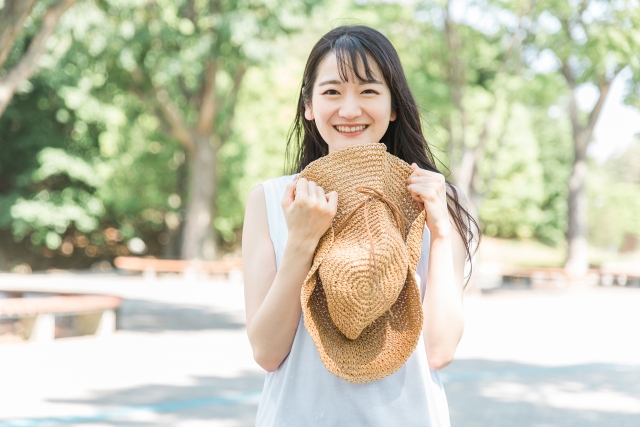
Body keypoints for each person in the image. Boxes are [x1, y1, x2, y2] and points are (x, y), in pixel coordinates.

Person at [242, 25, 478, 426]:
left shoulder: (440, 199)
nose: (349, 110)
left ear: (394, 105)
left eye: (369, 91)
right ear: (309, 105)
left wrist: (439, 231)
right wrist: (301, 242)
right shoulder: (270, 200)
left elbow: (439, 350)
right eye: (332, 92)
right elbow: (266, 352)